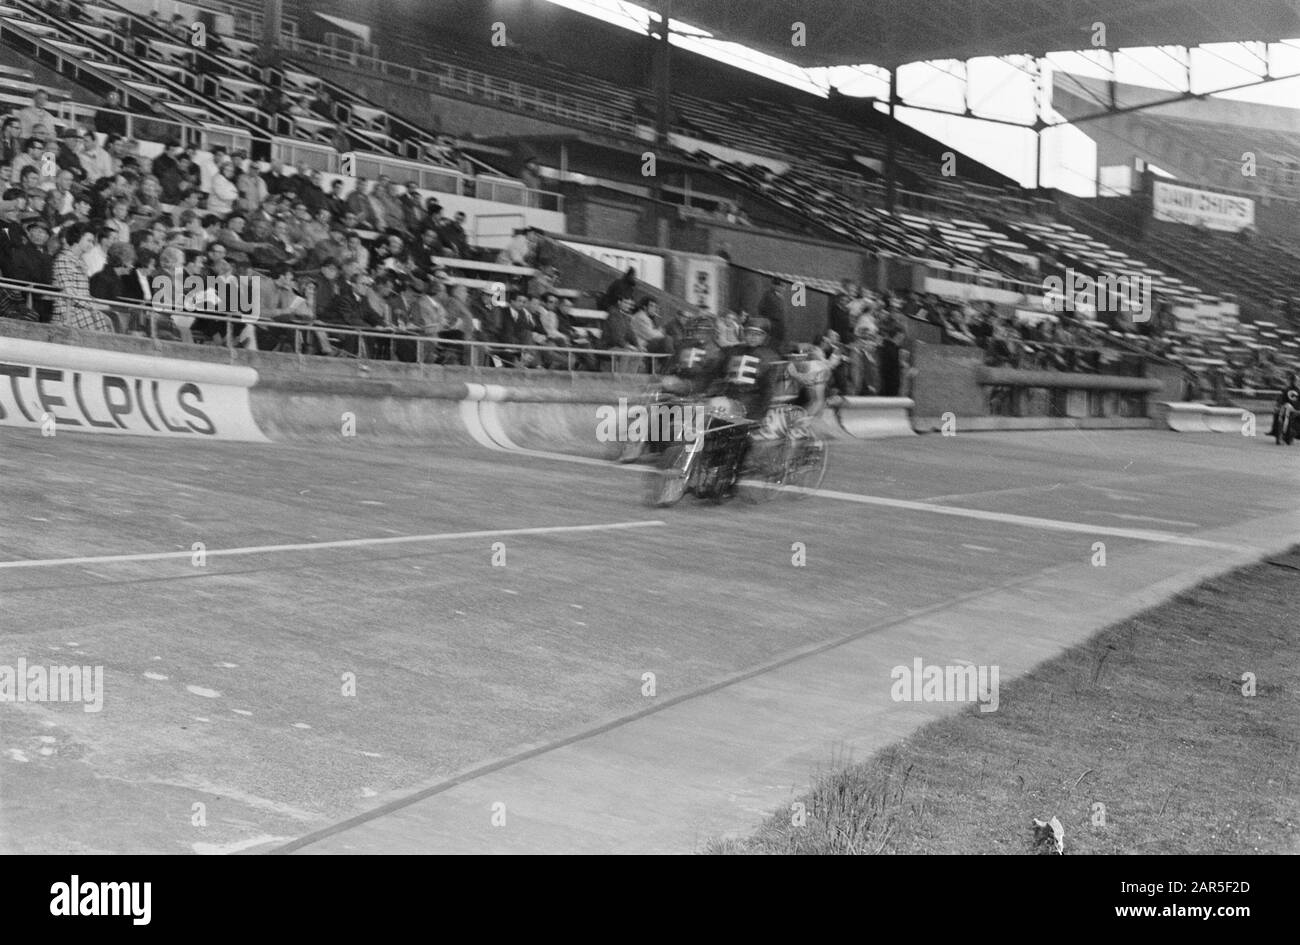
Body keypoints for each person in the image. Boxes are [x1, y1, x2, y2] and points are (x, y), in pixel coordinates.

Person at [52, 222, 115, 331]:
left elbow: (84, 294)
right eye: (88, 241)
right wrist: (92, 306)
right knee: (94, 319)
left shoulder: (81, 262)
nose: (91, 245)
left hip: (82, 309)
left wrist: (97, 303)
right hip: (67, 311)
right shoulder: (64, 259)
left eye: (92, 242)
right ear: (77, 238)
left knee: (104, 319)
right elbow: (68, 292)